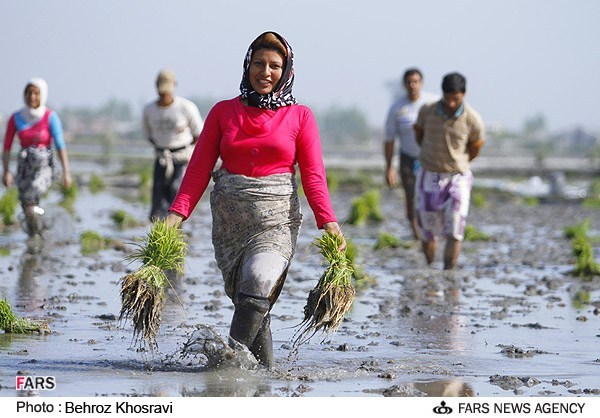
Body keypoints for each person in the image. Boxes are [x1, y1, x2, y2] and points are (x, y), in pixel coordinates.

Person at [165, 31, 344, 368]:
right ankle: (265, 377)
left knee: (260, 281)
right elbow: (199, 168)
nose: (266, 71)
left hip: (276, 221)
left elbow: (314, 175)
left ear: (286, 70)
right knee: (249, 299)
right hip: (231, 225)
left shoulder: (300, 117)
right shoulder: (223, 112)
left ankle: (225, 368)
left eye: (275, 65)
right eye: (259, 63)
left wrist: (328, 221)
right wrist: (177, 214)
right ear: (247, 66)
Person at [413, 72, 485, 270]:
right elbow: (419, 135)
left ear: (464, 95)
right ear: (442, 94)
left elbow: (476, 147)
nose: (452, 103)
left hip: (457, 177)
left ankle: (448, 271)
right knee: (428, 229)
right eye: (448, 98)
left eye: (457, 99)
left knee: (455, 226)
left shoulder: (473, 119)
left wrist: (457, 161)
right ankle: (430, 266)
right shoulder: (427, 111)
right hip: (429, 174)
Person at [2, 77, 72, 237]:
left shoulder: (50, 117)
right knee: (25, 204)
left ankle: (43, 225)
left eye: (36, 93)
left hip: (44, 166)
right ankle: (35, 233)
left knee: (32, 197)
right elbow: (6, 146)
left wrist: (67, 173)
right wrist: (6, 170)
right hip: (24, 166)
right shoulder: (16, 117)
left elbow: (60, 146)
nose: (32, 97)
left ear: (42, 95)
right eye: (28, 93)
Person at [143, 69, 203, 220]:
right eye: (161, 92)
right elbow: (149, 135)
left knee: (177, 191)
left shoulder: (186, 107)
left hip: (182, 158)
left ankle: (176, 229)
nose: (164, 95)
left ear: (174, 86)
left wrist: (185, 149)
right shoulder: (149, 110)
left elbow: (199, 133)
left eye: (166, 91)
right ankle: (158, 227)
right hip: (162, 157)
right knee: (158, 193)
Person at [384, 68, 437, 240]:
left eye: (416, 81)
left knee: (431, 196)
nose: (412, 85)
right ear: (405, 85)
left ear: (421, 83)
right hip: (407, 158)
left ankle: (431, 231)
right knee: (411, 196)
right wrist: (389, 167)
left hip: (429, 159)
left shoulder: (432, 103)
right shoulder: (397, 107)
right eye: (409, 82)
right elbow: (389, 139)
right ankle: (417, 235)